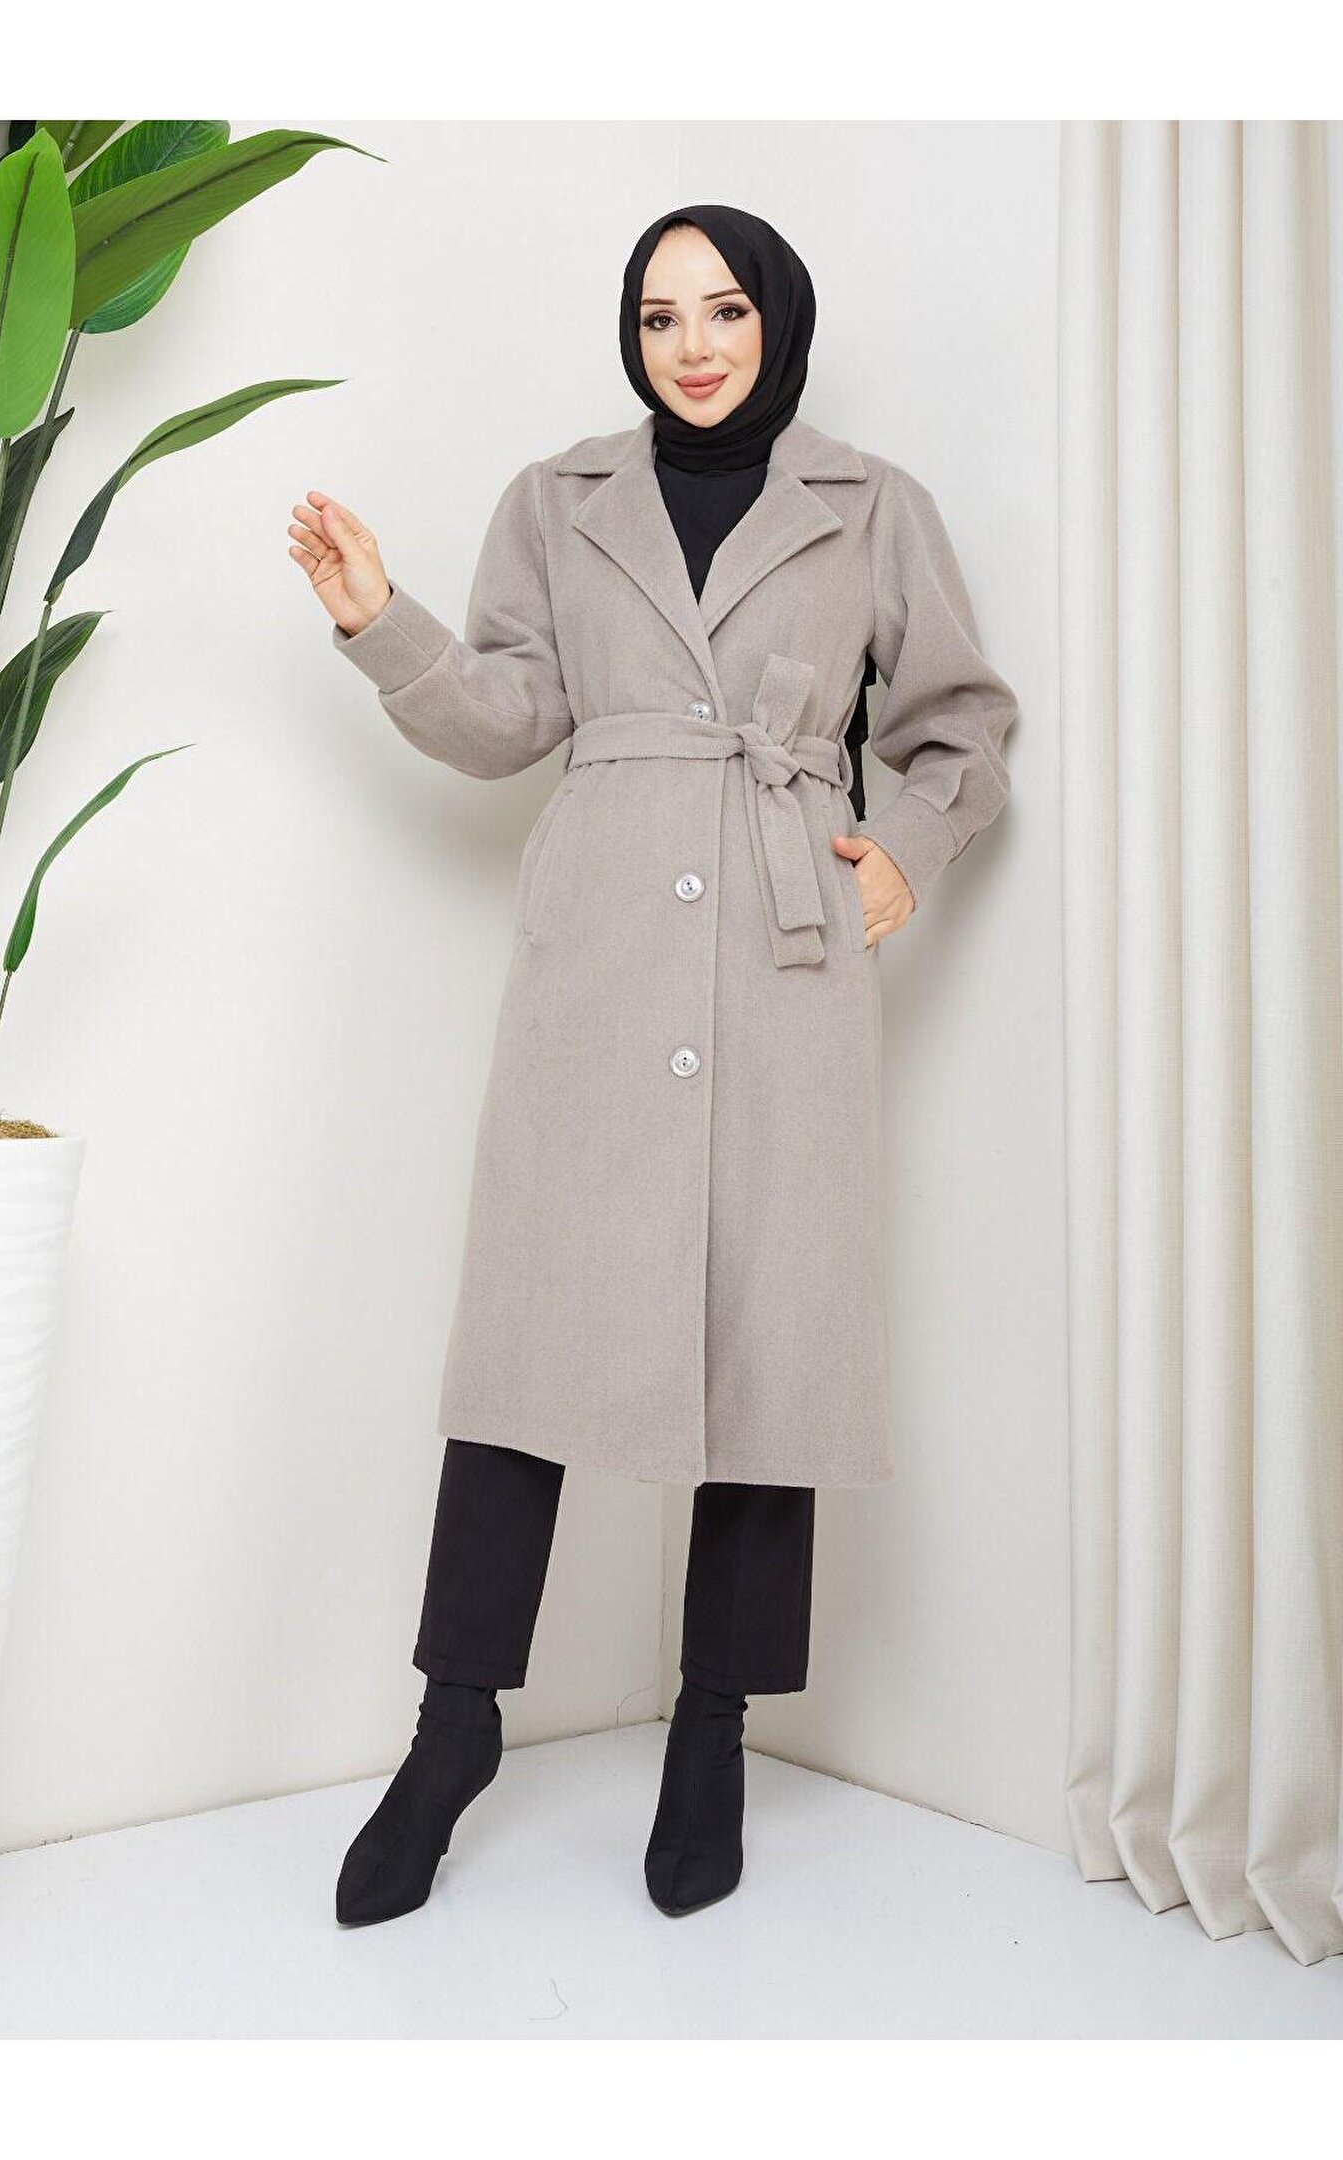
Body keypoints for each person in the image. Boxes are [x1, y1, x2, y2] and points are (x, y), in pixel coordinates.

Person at [288, 203, 1019, 1927]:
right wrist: (384, 623)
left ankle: (714, 1733)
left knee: (774, 1356)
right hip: (597, 961)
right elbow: (506, 725)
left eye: (725, 310)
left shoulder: (874, 506)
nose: (692, 344)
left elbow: (959, 722)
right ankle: (452, 1730)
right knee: (521, 1350)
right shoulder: (557, 502)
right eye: (660, 315)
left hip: (784, 963)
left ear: (779, 322)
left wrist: (908, 847)